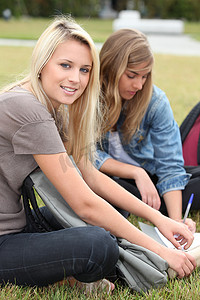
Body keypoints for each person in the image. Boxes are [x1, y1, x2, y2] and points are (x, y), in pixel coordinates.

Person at [0, 16, 196, 292]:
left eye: (84, 69)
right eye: (65, 65)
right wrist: (161, 250)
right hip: (4, 239)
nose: (75, 79)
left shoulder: (53, 108)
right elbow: (84, 204)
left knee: (114, 209)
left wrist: (160, 219)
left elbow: (90, 176)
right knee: (98, 245)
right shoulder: (26, 109)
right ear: (42, 64)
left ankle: (69, 271)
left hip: (22, 224)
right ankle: (156, 261)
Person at [96, 28, 199, 230]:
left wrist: (175, 222)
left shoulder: (155, 101)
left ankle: (162, 210)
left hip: (150, 178)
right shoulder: (89, 98)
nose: (139, 85)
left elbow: (169, 165)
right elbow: (84, 156)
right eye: (132, 75)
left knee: (188, 180)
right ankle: (151, 207)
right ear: (111, 68)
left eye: (144, 76)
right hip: (108, 179)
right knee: (101, 188)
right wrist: (135, 172)